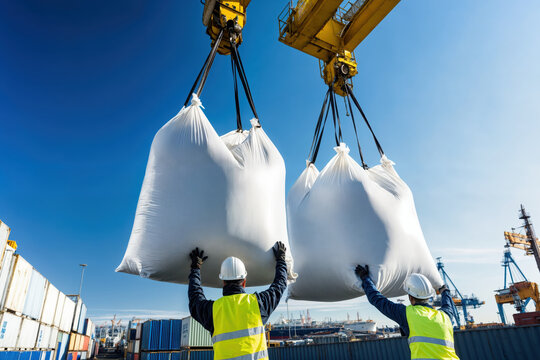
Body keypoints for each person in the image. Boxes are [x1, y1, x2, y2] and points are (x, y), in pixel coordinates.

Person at [188, 242, 288, 360]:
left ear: (223, 282)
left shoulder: (214, 311)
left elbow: (195, 298)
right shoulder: (258, 304)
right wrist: (281, 260)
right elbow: (280, 285)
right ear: (244, 282)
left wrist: (195, 268)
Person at [355, 264, 459, 360]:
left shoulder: (407, 314)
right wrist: (445, 291)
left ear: (410, 297)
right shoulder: (445, 316)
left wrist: (365, 278)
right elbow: (448, 304)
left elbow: (377, 299)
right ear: (429, 296)